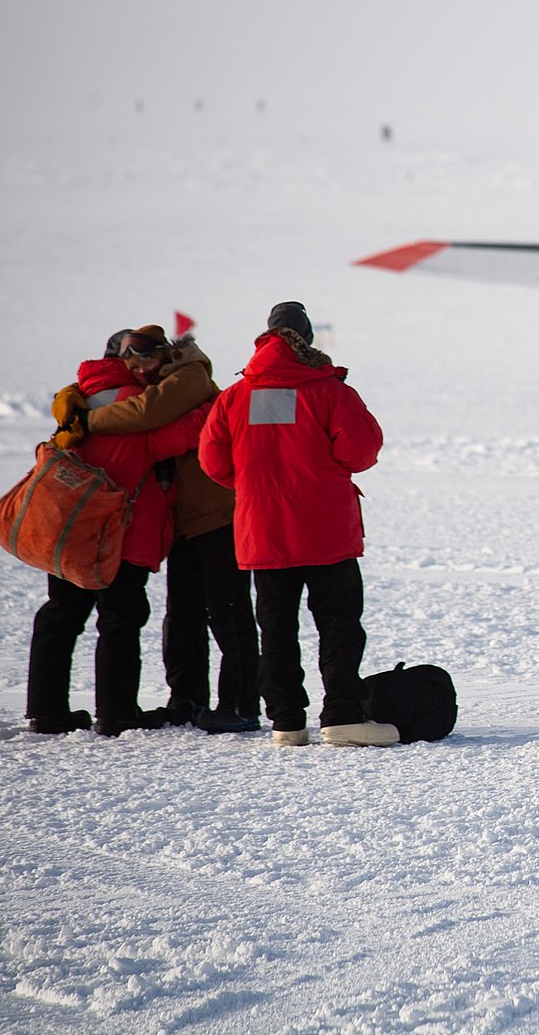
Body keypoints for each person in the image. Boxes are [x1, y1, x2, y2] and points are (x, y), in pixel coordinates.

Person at [198, 302, 398, 748]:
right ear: (306, 338)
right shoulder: (328, 391)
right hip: (325, 531)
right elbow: (360, 454)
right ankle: (343, 715)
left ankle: (287, 723)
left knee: (276, 628)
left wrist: (255, 487)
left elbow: (213, 463)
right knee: (339, 625)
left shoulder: (234, 397)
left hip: (263, 533)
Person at [79, 326, 260, 733]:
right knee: (183, 615)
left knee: (227, 611)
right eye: (132, 362)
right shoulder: (159, 382)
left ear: (167, 353)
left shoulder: (188, 376)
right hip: (182, 519)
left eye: (147, 359)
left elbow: (146, 415)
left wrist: (87, 419)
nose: (140, 368)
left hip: (216, 514)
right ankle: (188, 699)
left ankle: (240, 705)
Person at [27, 330, 208, 736]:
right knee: (119, 619)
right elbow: (174, 438)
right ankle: (117, 711)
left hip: (69, 528)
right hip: (118, 534)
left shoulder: (75, 399)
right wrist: (203, 398)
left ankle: (46, 711)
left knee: (61, 614)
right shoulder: (132, 402)